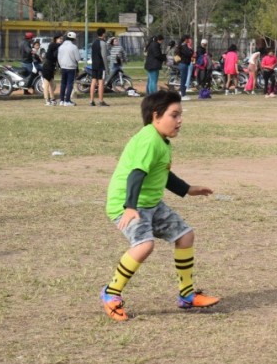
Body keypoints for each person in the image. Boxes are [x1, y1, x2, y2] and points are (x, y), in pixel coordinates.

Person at [100, 90, 220, 322]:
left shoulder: (160, 141)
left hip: (151, 203)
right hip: (127, 204)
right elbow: (136, 174)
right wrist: (130, 206)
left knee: (185, 236)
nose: (180, 121)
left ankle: (186, 295)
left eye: (180, 115)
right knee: (144, 246)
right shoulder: (148, 140)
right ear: (156, 116)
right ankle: (111, 293)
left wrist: (187, 189)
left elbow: (162, 174)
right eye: (174, 115)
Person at [57, 32, 80, 106]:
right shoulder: (74, 47)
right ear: (73, 38)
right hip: (71, 67)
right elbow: (78, 58)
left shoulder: (61, 47)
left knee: (63, 83)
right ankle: (67, 100)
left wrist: (61, 65)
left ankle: (61, 100)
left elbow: (59, 58)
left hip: (63, 66)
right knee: (69, 84)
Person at [89, 27, 110, 107]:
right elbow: (104, 56)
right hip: (101, 66)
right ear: (103, 34)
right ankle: (101, 101)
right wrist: (107, 68)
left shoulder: (94, 43)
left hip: (94, 65)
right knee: (101, 83)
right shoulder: (103, 43)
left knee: (93, 82)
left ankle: (91, 101)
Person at [41, 34, 63, 106]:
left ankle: (52, 99)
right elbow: (59, 47)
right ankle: (47, 100)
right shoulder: (53, 45)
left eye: (62, 39)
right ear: (55, 39)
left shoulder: (57, 47)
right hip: (47, 66)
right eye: (59, 38)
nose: (61, 40)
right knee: (46, 84)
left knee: (52, 84)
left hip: (51, 67)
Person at [177, 35, 194, 100]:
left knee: (183, 79)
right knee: (183, 79)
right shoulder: (184, 46)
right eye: (188, 39)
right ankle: (183, 94)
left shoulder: (183, 46)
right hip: (183, 63)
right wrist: (190, 50)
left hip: (184, 63)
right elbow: (189, 53)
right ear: (186, 39)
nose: (189, 40)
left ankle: (182, 93)